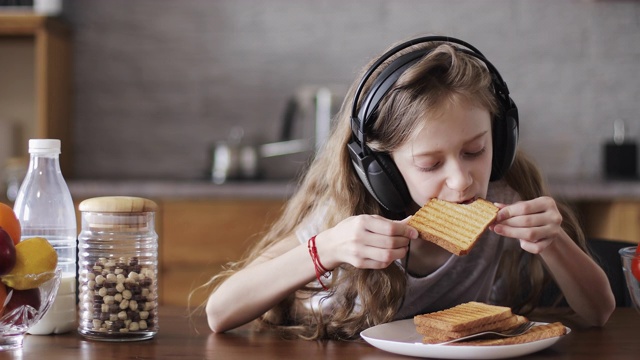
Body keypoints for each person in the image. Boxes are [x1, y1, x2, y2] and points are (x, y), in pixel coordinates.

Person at [202, 35, 615, 340]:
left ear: (501, 140)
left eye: (475, 151)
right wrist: (325, 248)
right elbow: (220, 313)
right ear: (383, 169)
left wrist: (553, 240)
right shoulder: (345, 218)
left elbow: (598, 312)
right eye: (430, 163)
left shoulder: (504, 198)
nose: (461, 179)